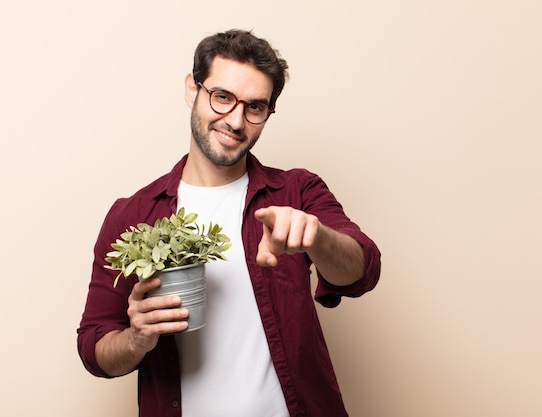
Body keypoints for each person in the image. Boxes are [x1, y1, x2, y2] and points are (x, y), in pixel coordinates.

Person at [77, 29, 381, 417]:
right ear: (192, 90)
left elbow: (363, 270)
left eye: (255, 107)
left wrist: (318, 238)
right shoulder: (132, 215)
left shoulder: (297, 190)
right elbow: (94, 347)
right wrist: (136, 339)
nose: (236, 121)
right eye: (222, 97)